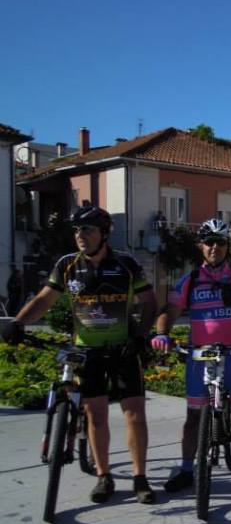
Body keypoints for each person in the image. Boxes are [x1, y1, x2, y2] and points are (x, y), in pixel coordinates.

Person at [1, 205, 158, 504]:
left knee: (135, 415)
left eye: (87, 229)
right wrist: (18, 322)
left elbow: (149, 302)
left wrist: (139, 336)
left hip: (123, 348)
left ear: (104, 233)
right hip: (87, 351)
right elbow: (45, 299)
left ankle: (140, 478)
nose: (80, 236)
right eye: (76, 230)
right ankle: (104, 476)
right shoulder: (67, 265)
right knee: (95, 416)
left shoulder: (125, 264)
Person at [152, 218, 231, 493]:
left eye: (220, 242)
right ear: (201, 246)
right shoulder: (191, 280)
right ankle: (187, 469)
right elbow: (169, 312)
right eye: (209, 242)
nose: (214, 247)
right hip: (199, 359)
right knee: (193, 417)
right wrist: (163, 333)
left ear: (227, 246)